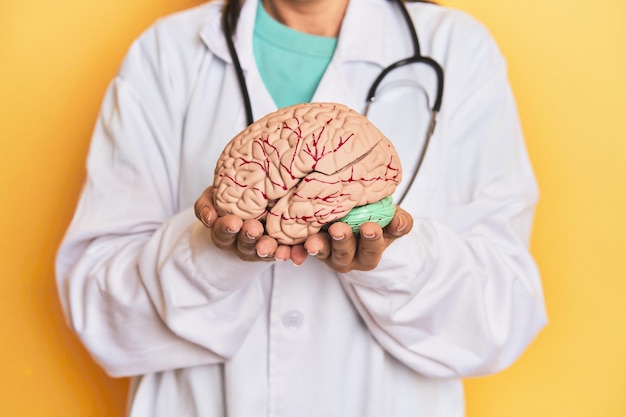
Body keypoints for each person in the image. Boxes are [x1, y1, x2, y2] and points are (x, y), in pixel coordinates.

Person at [55, 0, 548, 416]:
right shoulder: (167, 52)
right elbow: (99, 315)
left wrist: (387, 255)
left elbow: (498, 320)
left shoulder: (459, 50)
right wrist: (213, 252)